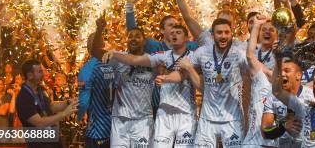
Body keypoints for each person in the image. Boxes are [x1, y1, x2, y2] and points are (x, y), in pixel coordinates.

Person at [104, 24, 198, 148]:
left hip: (185, 113)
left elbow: (183, 76)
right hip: (164, 114)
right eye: (172, 32)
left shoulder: (195, 56)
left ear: (187, 38)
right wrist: (115, 53)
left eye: (178, 32)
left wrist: (169, 76)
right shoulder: (161, 56)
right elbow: (134, 60)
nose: (174, 34)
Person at [190, 18, 249, 147]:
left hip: (232, 119)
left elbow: (255, 68)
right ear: (212, 35)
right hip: (207, 120)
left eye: (227, 32)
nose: (223, 36)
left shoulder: (239, 54)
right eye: (219, 32)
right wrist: (166, 77)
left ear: (231, 34)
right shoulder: (201, 52)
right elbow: (183, 69)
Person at [106, 27, 156, 148]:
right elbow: (96, 51)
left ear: (144, 41)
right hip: (120, 118)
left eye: (137, 36)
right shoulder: (117, 58)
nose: (133, 39)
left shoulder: (152, 60)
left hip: (143, 120)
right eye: (130, 36)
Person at [16, 59, 78, 148]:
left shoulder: (40, 89)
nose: (43, 74)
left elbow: (50, 106)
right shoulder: (24, 98)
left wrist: (67, 102)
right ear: (30, 75)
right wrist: (64, 113)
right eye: (40, 72)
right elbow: (39, 123)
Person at [78, 14, 116, 148]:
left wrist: (78, 117)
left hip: (97, 132)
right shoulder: (114, 63)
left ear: (89, 48)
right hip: (115, 129)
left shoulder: (87, 69)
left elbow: (83, 101)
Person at [261, 57, 315, 147]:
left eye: (287, 71)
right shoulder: (272, 96)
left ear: (298, 75)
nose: (282, 74)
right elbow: (265, 132)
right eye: (281, 71)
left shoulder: (312, 97)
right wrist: (283, 126)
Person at [242, 14, 278, 147]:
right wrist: (256, 25)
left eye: (271, 30)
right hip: (254, 131)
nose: (267, 32)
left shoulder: (284, 58)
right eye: (264, 29)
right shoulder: (258, 68)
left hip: (274, 129)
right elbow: (250, 55)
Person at [125, 0, 199, 54]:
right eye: (171, 25)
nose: (175, 28)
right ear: (162, 30)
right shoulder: (153, 46)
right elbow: (132, 32)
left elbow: (205, 40)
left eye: (177, 25)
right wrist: (129, 6)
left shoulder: (189, 46)